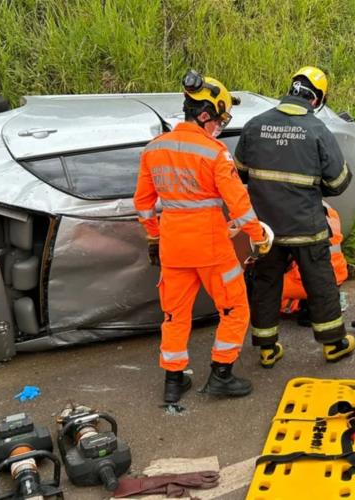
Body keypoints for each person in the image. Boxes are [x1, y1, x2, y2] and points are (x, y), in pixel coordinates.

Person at [134, 71, 271, 403]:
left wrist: (155, 235)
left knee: (174, 315)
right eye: (219, 119)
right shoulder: (215, 153)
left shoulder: (154, 150)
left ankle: (173, 380)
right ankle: (221, 374)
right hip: (211, 248)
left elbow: (143, 203)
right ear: (205, 114)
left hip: (173, 247)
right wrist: (258, 236)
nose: (218, 127)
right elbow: (238, 204)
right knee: (235, 308)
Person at [235, 66, 355, 368]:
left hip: (266, 229)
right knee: (320, 282)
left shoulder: (255, 125)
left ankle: (266, 348)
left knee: (266, 282)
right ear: (317, 100)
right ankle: (333, 345)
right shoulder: (317, 131)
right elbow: (338, 183)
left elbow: (240, 172)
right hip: (306, 227)